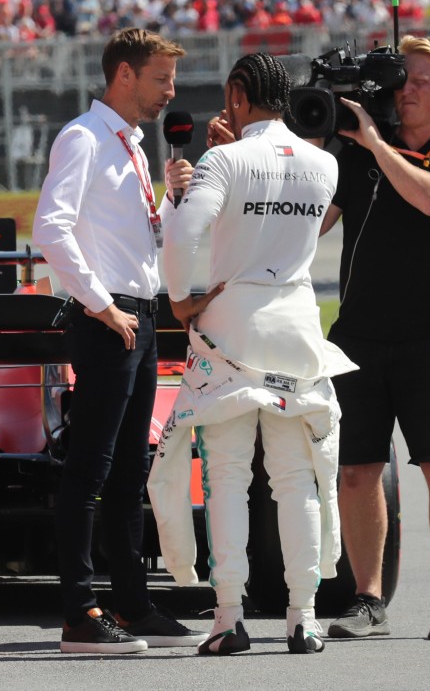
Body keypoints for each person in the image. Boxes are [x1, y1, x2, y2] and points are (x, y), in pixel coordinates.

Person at [151, 53, 353, 656]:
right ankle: (303, 617)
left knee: (228, 480)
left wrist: (182, 300)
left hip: (229, 328)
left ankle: (229, 617)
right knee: (298, 479)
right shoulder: (323, 162)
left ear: (238, 95)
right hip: (295, 323)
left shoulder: (223, 159)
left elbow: (187, 233)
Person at [31, 27, 205, 655]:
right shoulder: (83, 137)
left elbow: (139, 239)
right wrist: (101, 307)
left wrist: (171, 195)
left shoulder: (128, 142)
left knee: (131, 470)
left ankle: (131, 603)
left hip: (138, 315)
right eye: (161, 78)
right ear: (124, 76)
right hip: (109, 318)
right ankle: (80, 612)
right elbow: (50, 228)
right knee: (91, 470)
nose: (170, 92)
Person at [323, 35, 430, 642]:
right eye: (403, 80)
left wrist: (373, 141)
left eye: (422, 80)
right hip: (359, 336)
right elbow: (306, 225)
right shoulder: (357, 157)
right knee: (355, 471)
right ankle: (367, 598)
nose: (407, 90)